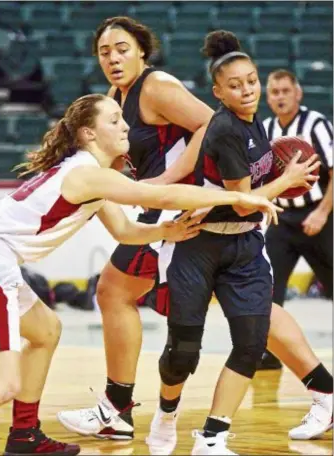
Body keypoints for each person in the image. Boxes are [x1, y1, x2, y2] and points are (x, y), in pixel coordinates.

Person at [57, 23, 332, 448]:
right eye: (103, 51)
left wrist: (165, 181)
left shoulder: (157, 86)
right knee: (238, 306)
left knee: (115, 291)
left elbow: (210, 125)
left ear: (142, 53)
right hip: (174, 208)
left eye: (121, 49)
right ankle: (323, 389)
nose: (112, 58)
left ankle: (119, 408)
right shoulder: (117, 97)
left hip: (192, 207)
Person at [0, 93, 280, 456]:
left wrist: (165, 232)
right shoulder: (87, 175)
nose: (125, 125)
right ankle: (22, 433)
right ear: (88, 134)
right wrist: (237, 198)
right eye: (113, 121)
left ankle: (24, 436)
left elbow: (125, 232)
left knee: (47, 330)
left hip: (0, 260)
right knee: (3, 384)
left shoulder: (91, 176)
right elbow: (157, 196)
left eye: (122, 118)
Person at [142, 32, 331, 455]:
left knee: (250, 344)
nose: (247, 90)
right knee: (183, 353)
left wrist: (279, 176)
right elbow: (244, 203)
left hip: (244, 248)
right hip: (199, 245)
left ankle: (212, 437)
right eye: (235, 85)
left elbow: (249, 205)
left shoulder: (255, 122)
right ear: (218, 93)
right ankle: (166, 413)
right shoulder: (225, 129)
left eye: (252, 81)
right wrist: (287, 182)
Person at [259, 69, 333, 370]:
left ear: (297, 93)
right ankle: (270, 352)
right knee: (267, 286)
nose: (280, 97)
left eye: (285, 91)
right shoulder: (264, 128)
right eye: (274, 92)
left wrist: (323, 212)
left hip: (319, 215)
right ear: (268, 97)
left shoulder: (316, 124)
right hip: (282, 219)